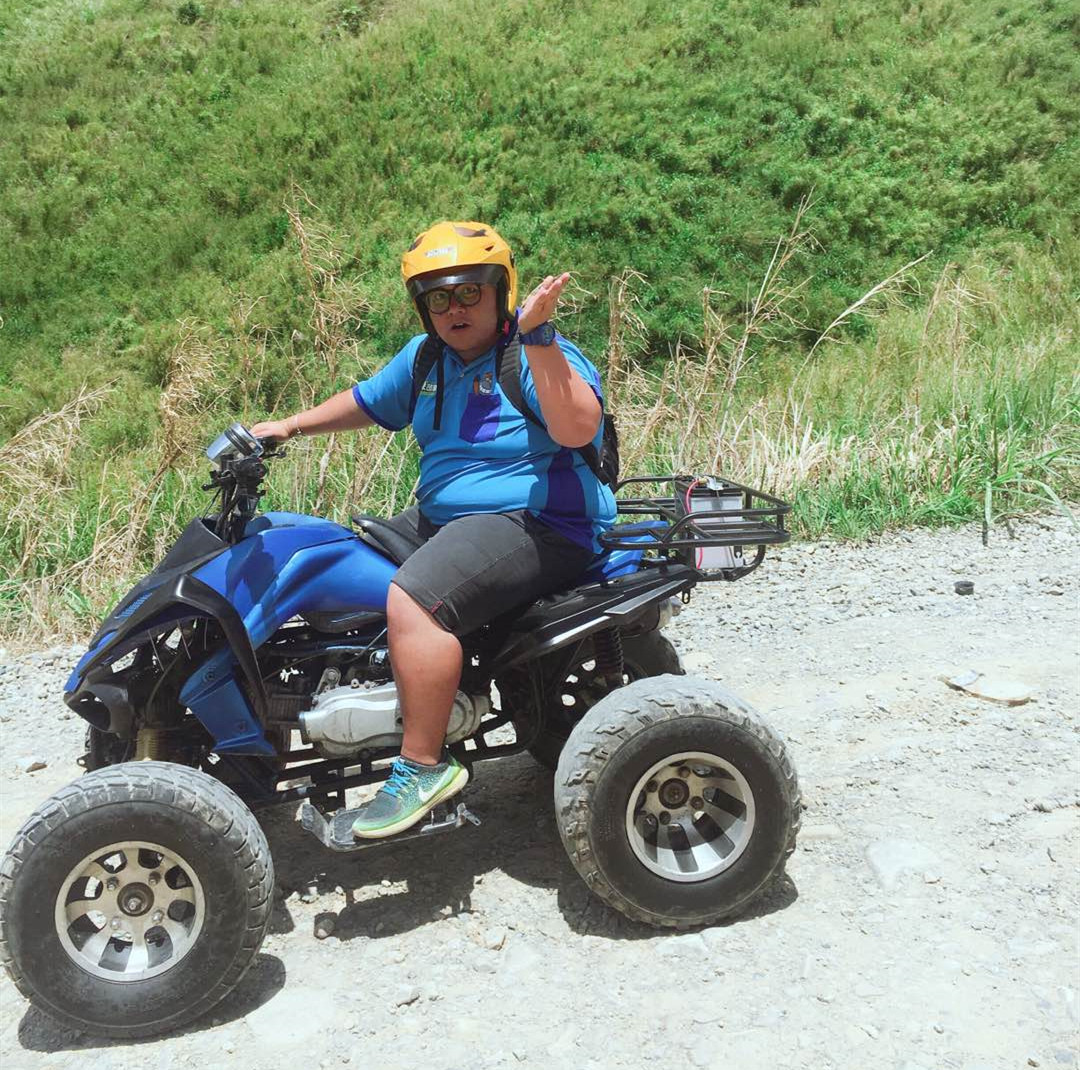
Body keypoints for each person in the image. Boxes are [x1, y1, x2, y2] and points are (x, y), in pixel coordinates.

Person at [251, 221, 615, 838]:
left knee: (416, 599)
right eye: (438, 298)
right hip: (447, 518)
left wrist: (540, 336)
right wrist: (289, 426)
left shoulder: (532, 352)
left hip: (541, 519)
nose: (454, 308)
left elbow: (578, 427)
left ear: (501, 291)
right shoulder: (426, 360)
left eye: (470, 292)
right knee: (329, 559)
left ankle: (422, 766)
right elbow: (367, 401)